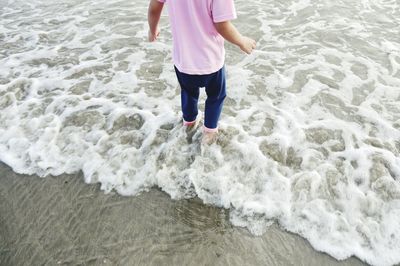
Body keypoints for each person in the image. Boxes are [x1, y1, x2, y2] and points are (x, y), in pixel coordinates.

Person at [147, 0, 256, 144]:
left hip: (183, 61)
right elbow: (222, 25)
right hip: (210, 61)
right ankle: (209, 132)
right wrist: (241, 41)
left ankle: (189, 122)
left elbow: (154, 7)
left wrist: (153, 29)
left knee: (188, 92)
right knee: (216, 96)